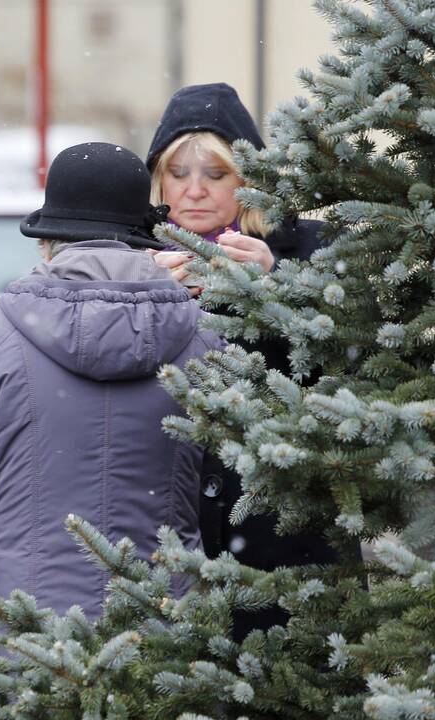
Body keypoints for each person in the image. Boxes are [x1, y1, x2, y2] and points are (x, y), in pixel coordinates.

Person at [0, 142, 221, 657]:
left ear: (48, 240)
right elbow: (230, 482)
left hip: (18, 634)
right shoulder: (203, 341)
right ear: (144, 241)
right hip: (162, 632)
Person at [145, 82, 336, 638]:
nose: (195, 191)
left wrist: (276, 289)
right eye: (180, 174)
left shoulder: (306, 249)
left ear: (247, 180)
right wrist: (142, 296)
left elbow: (347, 369)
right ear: (159, 179)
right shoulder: (133, 254)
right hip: (163, 514)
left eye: (216, 174)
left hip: (279, 519)